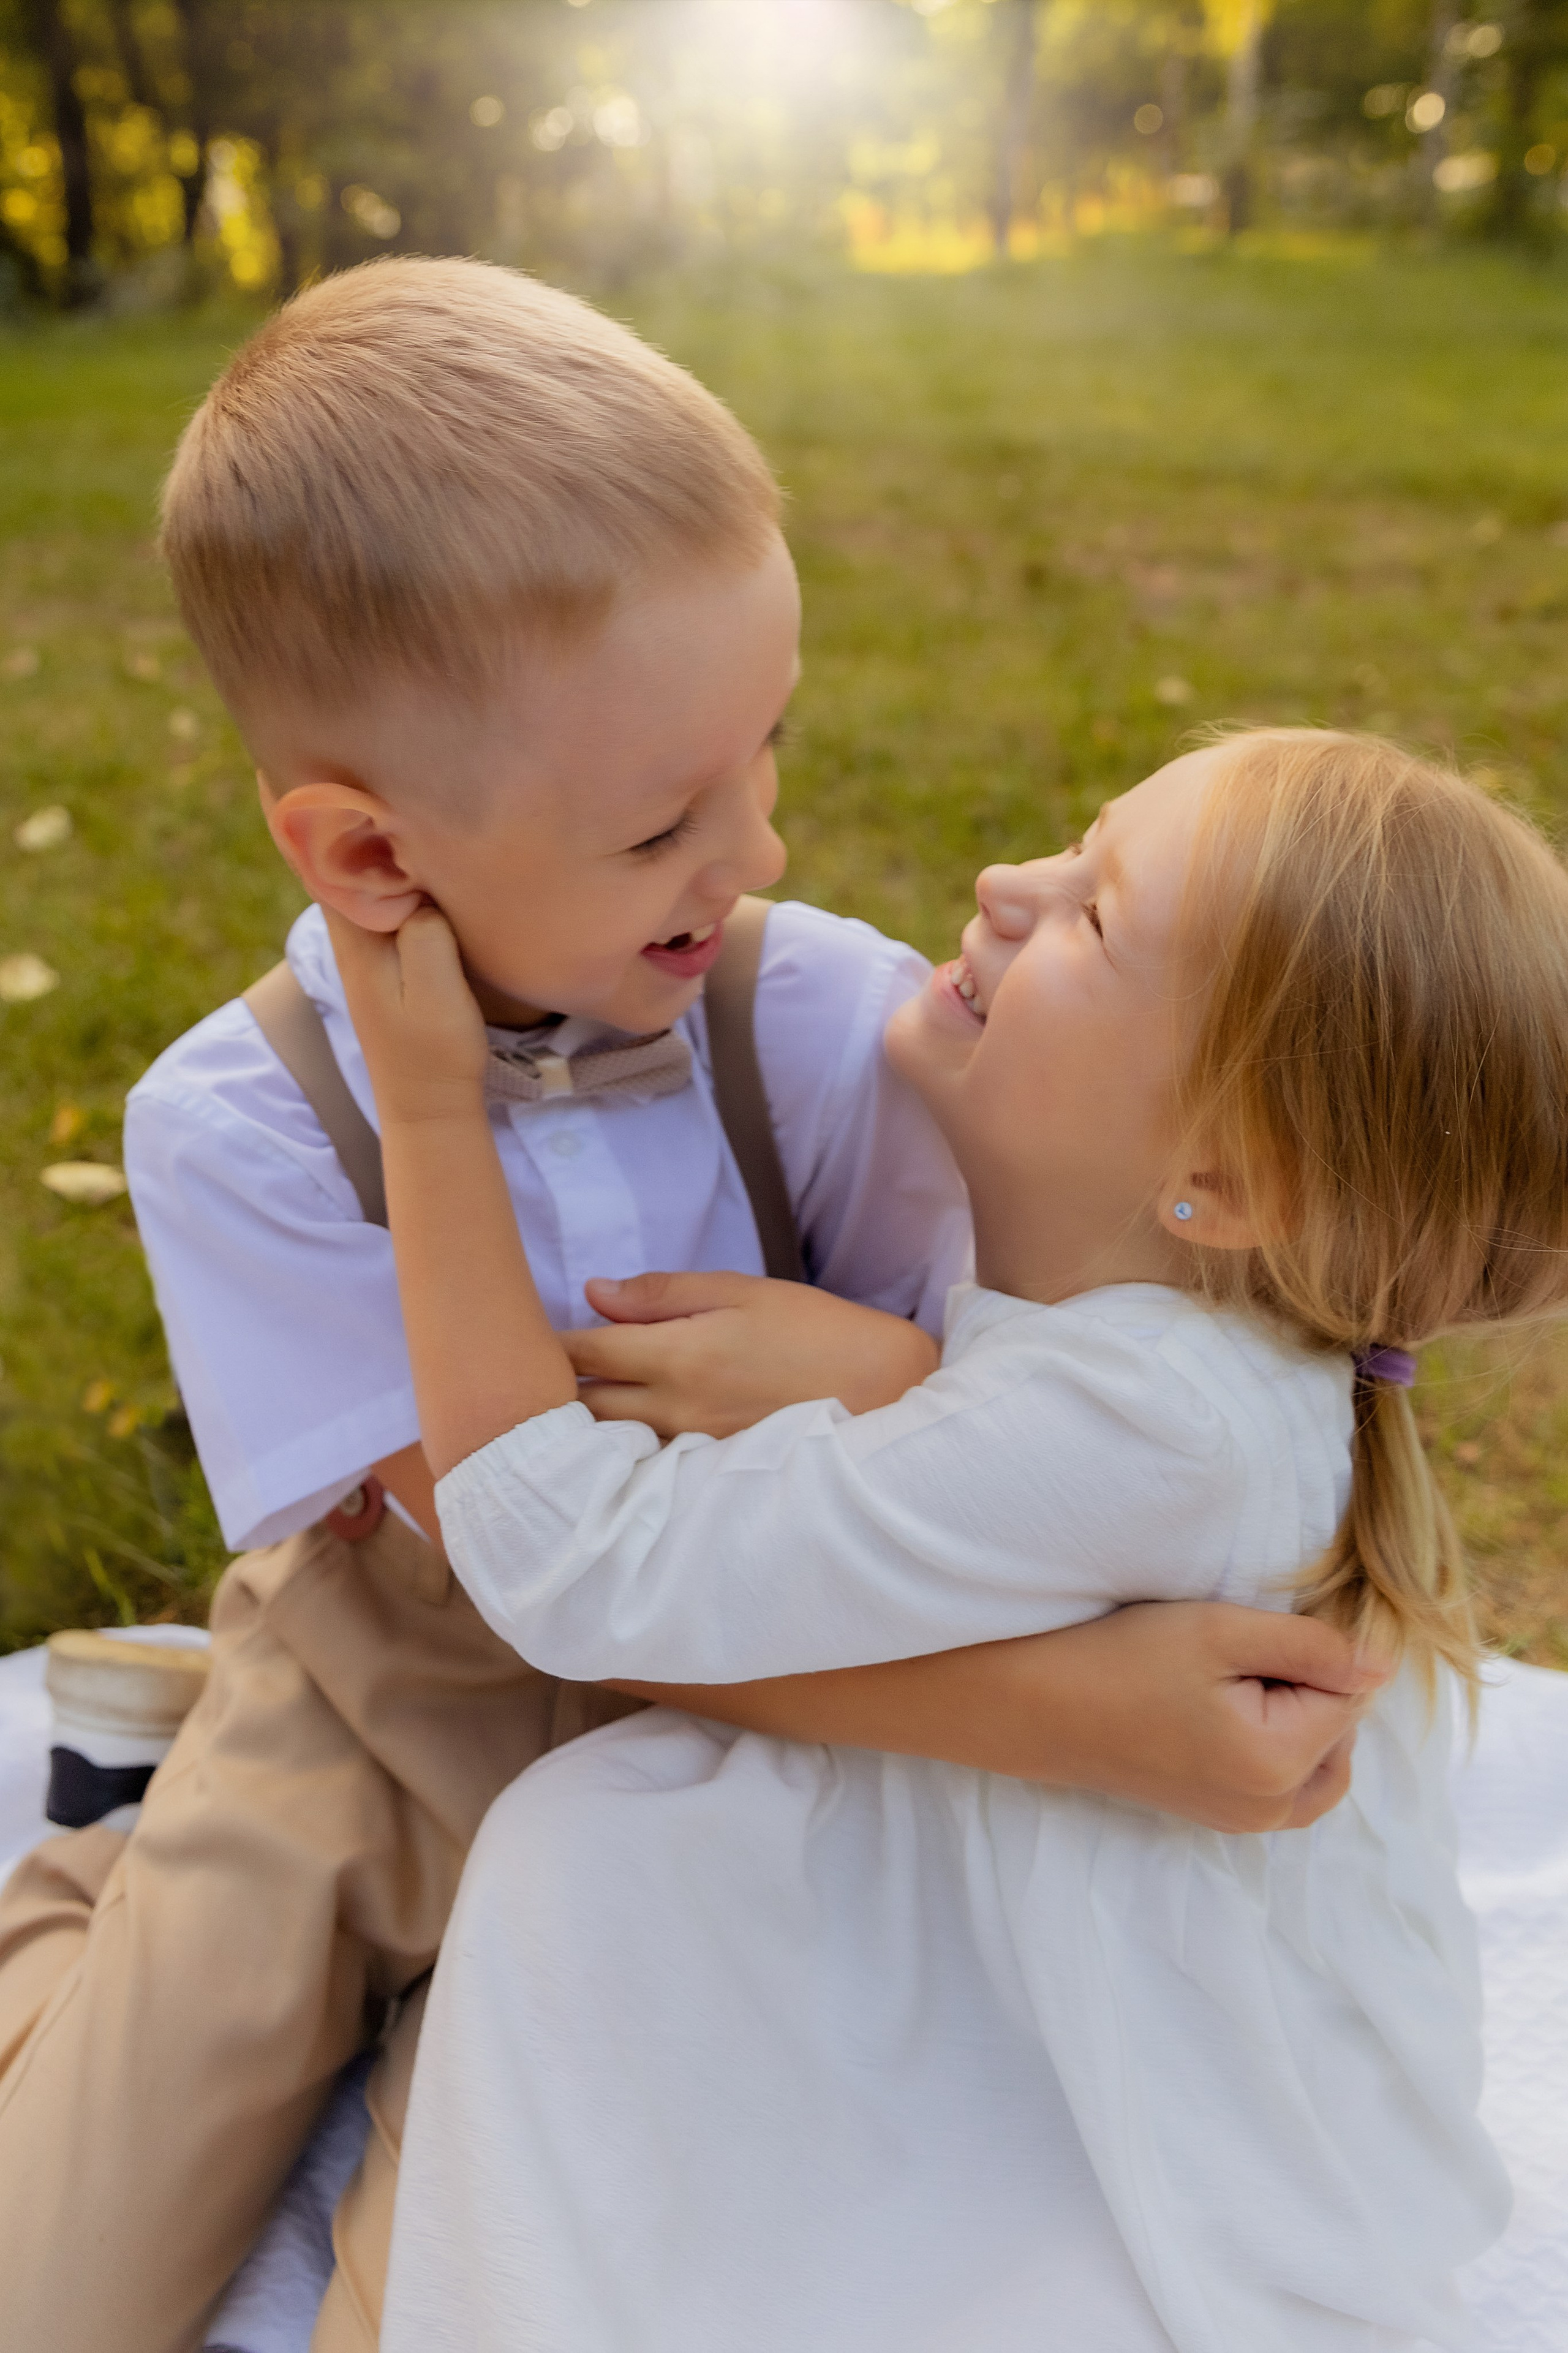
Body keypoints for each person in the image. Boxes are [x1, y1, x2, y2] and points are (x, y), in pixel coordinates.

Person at [0, 262, 1376, 2353]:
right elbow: (540, 1596)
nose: (762, 842)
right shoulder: (243, 1121)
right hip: (395, 1698)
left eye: (765, 753)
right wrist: (1076, 1715)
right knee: (54, 2284)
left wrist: (888, 1372)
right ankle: (94, 1885)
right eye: (664, 818)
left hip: (771, 1710)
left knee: (513, 2277)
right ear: (371, 850)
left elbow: (1004, 1410)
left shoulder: (802, 1005)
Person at [328, 727, 1561, 2353]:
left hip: (1150, 2121)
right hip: (1119, 1968)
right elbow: (1037, 1457)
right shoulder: (1186, 1364)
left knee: (594, 1854)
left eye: (1097, 917)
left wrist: (430, 1119)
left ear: (1224, 1177)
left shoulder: (1146, 1425)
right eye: (1073, 842)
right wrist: (895, 1376)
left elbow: (579, 1572)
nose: (1006, 884)